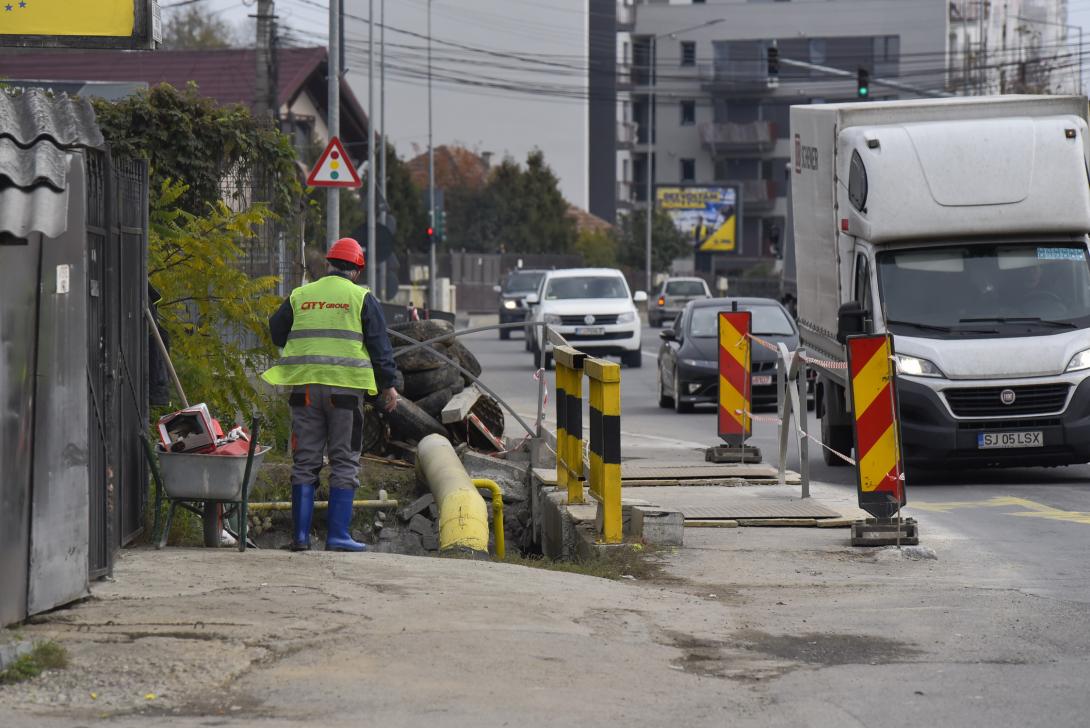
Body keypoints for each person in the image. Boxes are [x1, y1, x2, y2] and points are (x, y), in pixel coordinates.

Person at [262, 238, 399, 552]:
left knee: (305, 461)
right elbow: (380, 346)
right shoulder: (360, 297)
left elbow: (276, 332)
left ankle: (299, 537)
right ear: (357, 270)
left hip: (305, 390)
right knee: (344, 461)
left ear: (329, 264)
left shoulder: (301, 295)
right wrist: (388, 384)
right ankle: (337, 536)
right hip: (345, 392)